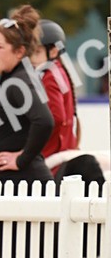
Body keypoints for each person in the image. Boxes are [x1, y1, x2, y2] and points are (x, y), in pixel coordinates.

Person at [0, 4, 54, 186]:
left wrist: (21, 159)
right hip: (9, 187)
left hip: (21, 188)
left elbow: (44, 121)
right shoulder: (13, 80)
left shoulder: (19, 82)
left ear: (19, 52)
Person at [33, 18, 79, 158]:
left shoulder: (50, 76)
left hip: (53, 153)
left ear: (53, 52)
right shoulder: (58, 71)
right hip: (66, 148)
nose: (30, 58)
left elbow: (56, 118)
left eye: (37, 52)